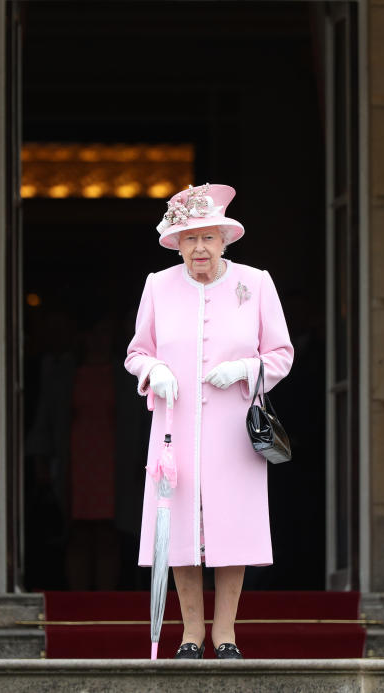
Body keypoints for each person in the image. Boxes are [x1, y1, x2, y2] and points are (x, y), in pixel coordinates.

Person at [125, 183, 294, 659]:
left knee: (231, 530)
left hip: (232, 429)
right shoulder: (158, 285)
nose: (199, 248)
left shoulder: (255, 282)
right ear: (176, 243)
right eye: (189, 238)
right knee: (180, 530)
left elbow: (281, 355)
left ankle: (226, 634)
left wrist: (244, 369)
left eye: (208, 238)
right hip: (175, 428)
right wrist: (153, 369)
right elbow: (137, 352)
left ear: (224, 239)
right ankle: (190, 634)